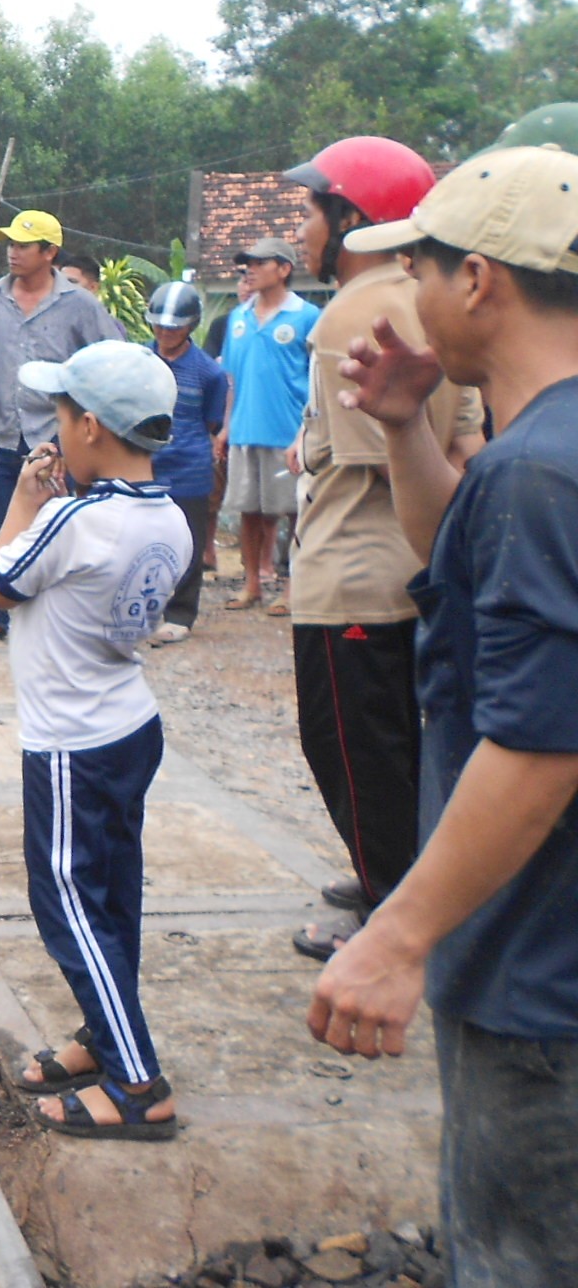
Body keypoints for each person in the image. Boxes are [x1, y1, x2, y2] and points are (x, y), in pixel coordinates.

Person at [305, 145, 578, 1276]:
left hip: (540, 977)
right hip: (532, 951)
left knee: (519, 1256)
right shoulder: (531, 453)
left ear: (477, 282)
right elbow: (457, 569)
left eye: (415, 267)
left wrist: (396, 935)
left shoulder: (537, 476)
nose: (402, 295)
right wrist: (412, 428)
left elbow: (541, 742)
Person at [281, 138, 484, 962]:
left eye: (309, 211)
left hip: (354, 575)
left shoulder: (354, 315)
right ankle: (392, 878)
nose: (299, 230)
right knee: (406, 743)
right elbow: (464, 445)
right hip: (413, 571)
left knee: (354, 752)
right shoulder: (430, 301)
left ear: (352, 218)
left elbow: (371, 450)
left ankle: (394, 911)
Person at [0, 339, 189, 1141]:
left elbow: (0, 581)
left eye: (63, 415)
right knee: (111, 896)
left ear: (94, 430)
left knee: (68, 904)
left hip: (71, 742)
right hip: (128, 725)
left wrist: (24, 497)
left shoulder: (72, 520)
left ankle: (139, 1085)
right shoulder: (167, 517)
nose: (56, 427)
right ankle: (105, 1037)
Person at [0, 210, 122, 645]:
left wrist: (84, 425)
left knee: (53, 529)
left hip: (53, 440)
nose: (12, 252)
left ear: (49, 253)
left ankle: (50, 616)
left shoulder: (79, 304)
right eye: (9, 244)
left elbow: (111, 356)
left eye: (23, 245)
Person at [217, 238, 318, 613]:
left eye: (260, 263)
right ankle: (252, 584)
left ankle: (294, 587)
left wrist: (305, 431)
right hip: (245, 429)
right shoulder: (238, 318)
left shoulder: (307, 317)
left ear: (284, 268)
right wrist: (226, 428)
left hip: (287, 431)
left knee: (295, 512)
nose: (251, 270)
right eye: (248, 264)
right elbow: (231, 379)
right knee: (248, 511)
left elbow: (316, 378)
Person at [140, 281, 226, 648]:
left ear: (191, 325)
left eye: (174, 326)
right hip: (143, 464)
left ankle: (181, 614)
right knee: (142, 541)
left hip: (189, 468)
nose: (165, 332)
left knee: (189, 543)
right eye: (159, 324)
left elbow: (211, 422)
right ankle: (141, 608)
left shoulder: (210, 372)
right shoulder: (138, 360)